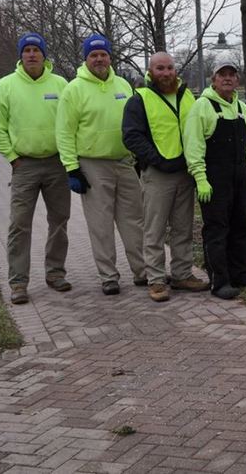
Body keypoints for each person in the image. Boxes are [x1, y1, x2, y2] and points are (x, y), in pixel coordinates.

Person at [56, 34, 146, 296]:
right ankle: (109, 276)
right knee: (101, 224)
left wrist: (138, 158)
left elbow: (135, 124)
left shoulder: (124, 85)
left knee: (134, 221)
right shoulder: (74, 90)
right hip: (93, 165)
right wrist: (72, 168)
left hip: (124, 162)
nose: (99, 59)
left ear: (110, 57)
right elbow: (64, 132)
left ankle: (142, 271)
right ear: (86, 58)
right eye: (93, 55)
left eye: (103, 54)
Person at [0, 32, 71, 304]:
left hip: (57, 164)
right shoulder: (5, 86)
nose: (32, 54)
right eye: (27, 50)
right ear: (21, 55)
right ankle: (18, 282)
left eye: (37, 50)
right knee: (19, 225)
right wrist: (13, 158)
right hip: (24, 165)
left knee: (59, 222)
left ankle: (55, 273)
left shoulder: (60, 84)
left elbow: (72, 122)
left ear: (45, 55)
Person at [122, 52, 209, 302]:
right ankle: (157, 280)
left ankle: (182, 274)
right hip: (158, 175)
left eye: (170, 67)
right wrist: (157, 160)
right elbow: (131, 136)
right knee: (155, 230)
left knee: (183, 228)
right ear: (150, 72)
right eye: (160, 68)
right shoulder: (140, 99)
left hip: (186, 172)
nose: (166, 73)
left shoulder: (188, 95)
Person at [182, 60, 246, 300]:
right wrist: (200, 179)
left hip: (239, 177)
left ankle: (240, 274)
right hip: (213, 179)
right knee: (216, 230)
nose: (227, 78)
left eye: (231, 75)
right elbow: (193, 146)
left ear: (237, 81)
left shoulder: (242, 109)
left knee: (240, 227)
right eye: (222, 75)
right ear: (213, 80)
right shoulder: (202, 107)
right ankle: (219, 281)